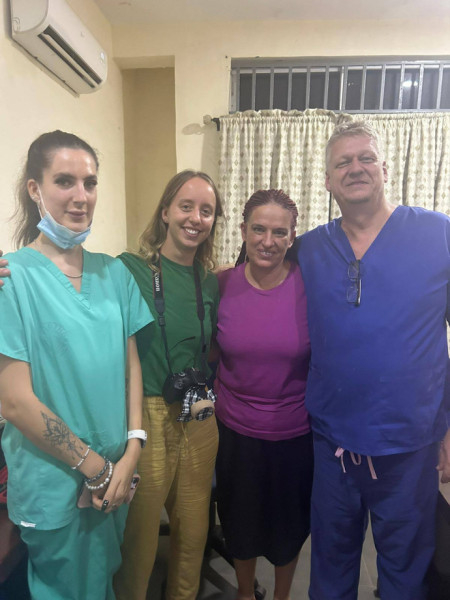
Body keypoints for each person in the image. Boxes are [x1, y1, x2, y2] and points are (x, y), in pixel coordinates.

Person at [297, 120, 450, 600]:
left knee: (405, 571)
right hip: (333, 441)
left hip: (411, 443)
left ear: (386, 168)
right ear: (327, 180)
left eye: (366, 158)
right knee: (330, 566)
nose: (356, 168)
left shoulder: (438, 235)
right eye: (343, 162)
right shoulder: (310, 248)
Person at [0, 131, 152, 600]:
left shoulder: (115, 273)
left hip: (115, 476)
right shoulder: (10, 279)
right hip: (55, 481)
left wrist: (133, 449)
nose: (81, 196)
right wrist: (95, 467)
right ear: (35, 189)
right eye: (64, 181)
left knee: (102, 581)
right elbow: (14, 400)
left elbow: (131, 369)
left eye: (90, 182)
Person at [113, 170, 223, 600]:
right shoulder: (129, 269)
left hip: (198, 413)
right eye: (186, 206)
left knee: (193, 535)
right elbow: (72, 276)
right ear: (165, 212)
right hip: (147, 413)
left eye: (206, 211)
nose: (196, 218)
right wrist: (19, 271)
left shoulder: (209, 280)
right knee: (139, 542)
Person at [214, 189, 313, 600]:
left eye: (279, 232)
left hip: (295, 435)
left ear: (292, 237)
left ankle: (281, 596)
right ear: (243, 231)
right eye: (258, 229)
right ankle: (244, 592)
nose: (267, 241)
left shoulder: (311, 288)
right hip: (234, 433)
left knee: (289, 528)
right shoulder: (221, 284)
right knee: (239, 524)